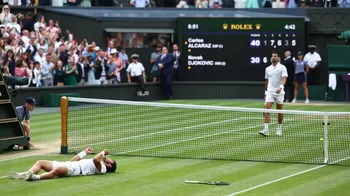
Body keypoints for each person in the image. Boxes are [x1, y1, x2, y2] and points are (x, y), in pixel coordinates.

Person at [9, 148, 117, 181]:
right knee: (40, 162)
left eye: (111, 161)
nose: (109, 159)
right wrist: (84, 152)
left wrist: (103, 152)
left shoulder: (102, 168)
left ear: (109, 166)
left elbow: (95, 160)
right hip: (70, 164)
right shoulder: (102, 164)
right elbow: (73, 160)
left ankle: (34, 177)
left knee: (56, 171)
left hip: (75, 170)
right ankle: (28, 173)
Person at [259, 53, 288, 137]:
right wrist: (265, 92)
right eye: (272, 56)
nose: (273, 57)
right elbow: (267, 81)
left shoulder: (282, 67)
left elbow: (284, 79)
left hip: (279, 92)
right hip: (270, 92)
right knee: (267, 109)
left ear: (278, 58)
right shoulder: (267, 69)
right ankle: (266, 130)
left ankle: (279, 128)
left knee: (279, 111)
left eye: (275, 56)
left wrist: (281, 87)